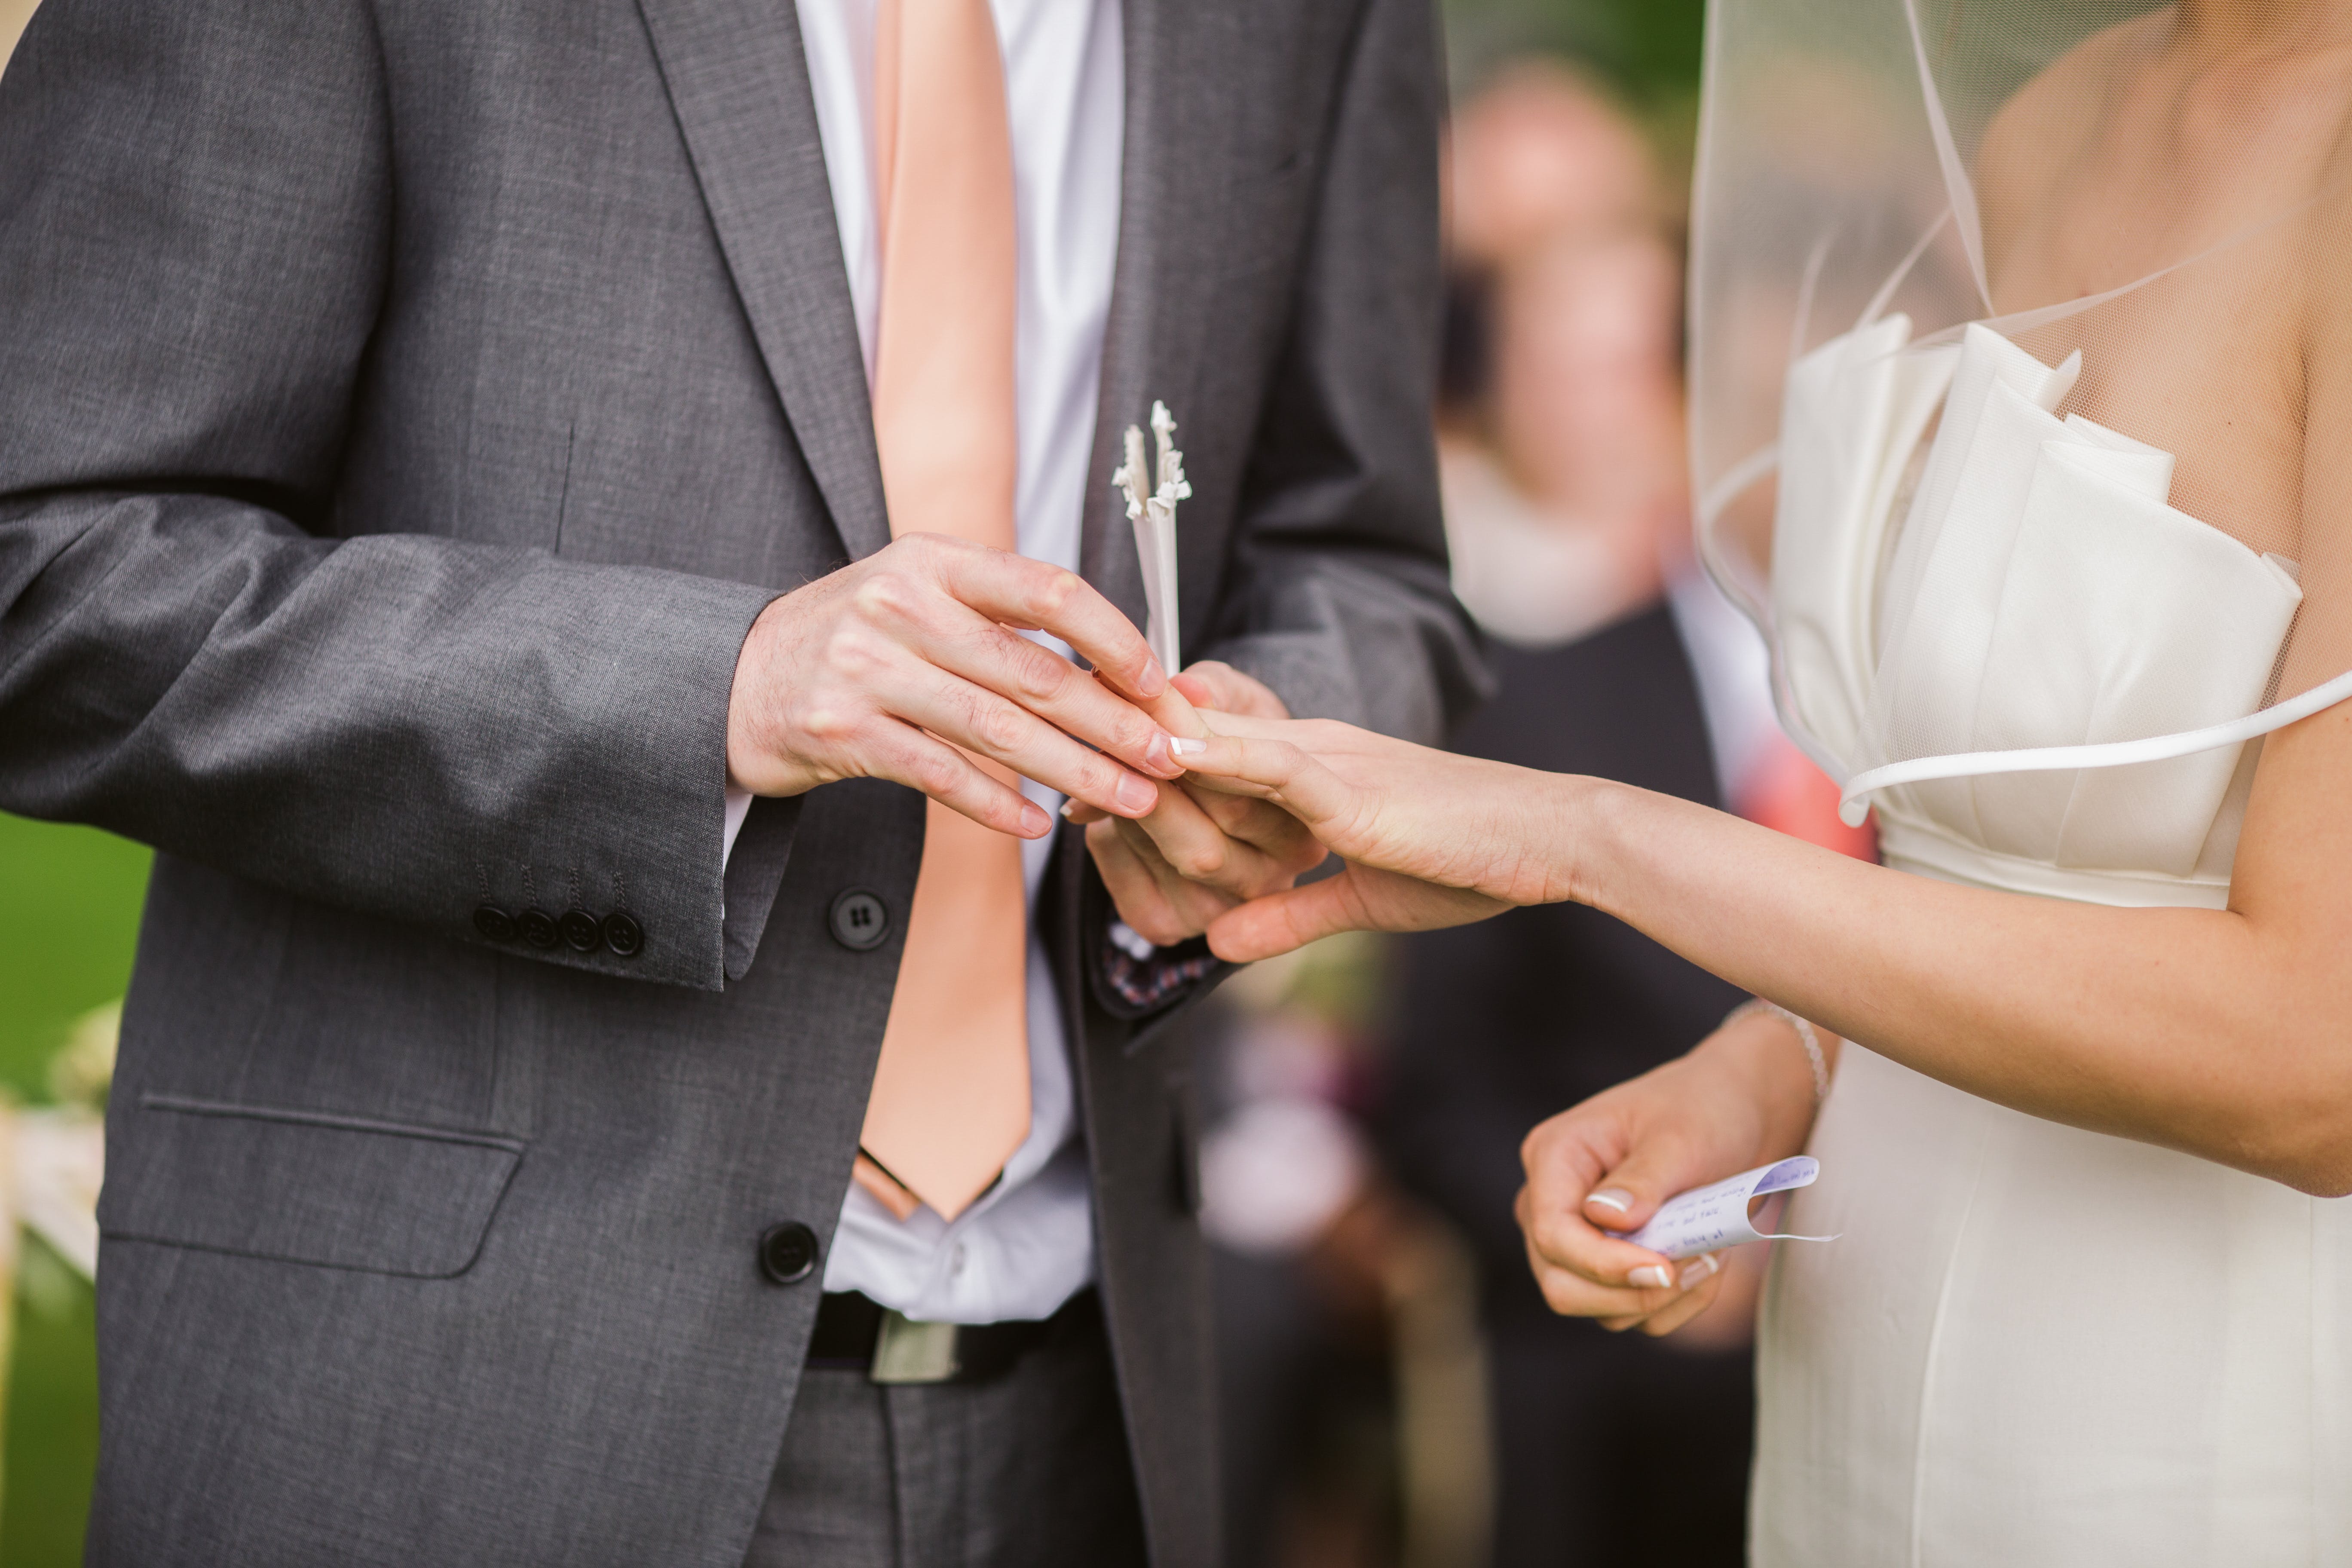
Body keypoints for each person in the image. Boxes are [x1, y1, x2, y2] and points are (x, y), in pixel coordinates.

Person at [0, 0, 1480, 1562]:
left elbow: (1364, 559)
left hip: (1097, 1400)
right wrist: (712, 695)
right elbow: (46, 560)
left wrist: (1272, 738)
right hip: (453, 1401)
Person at [1157, 2, 2352, 1562]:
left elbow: (2317, 1057)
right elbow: (2005, 848)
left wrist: (1584, 835)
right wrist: (1782, 1059)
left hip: (2188, 1407)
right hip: (1859, 1361)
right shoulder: (2050, 121)